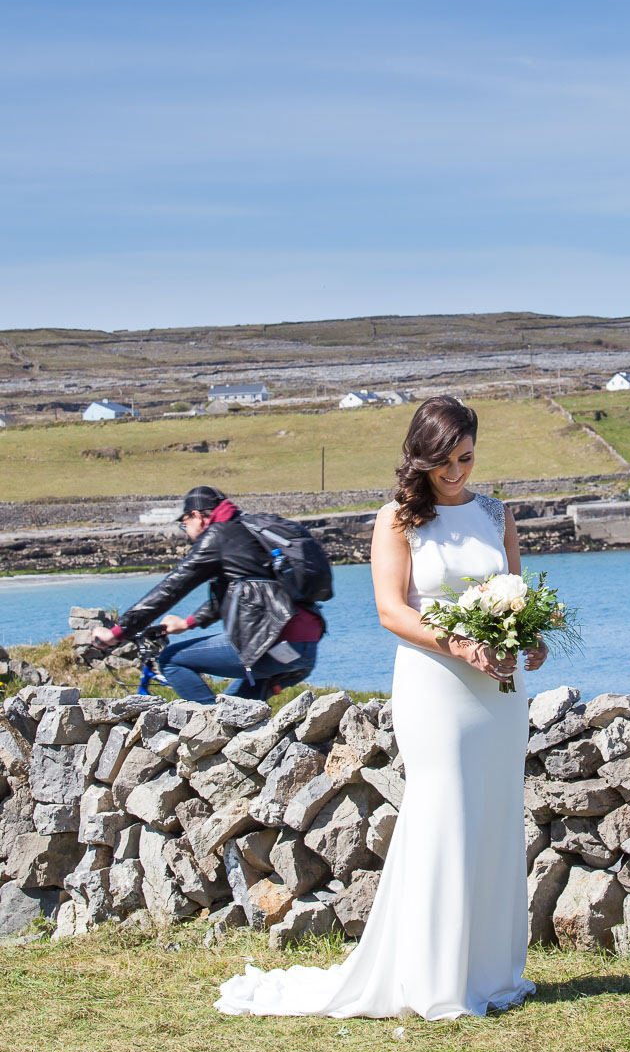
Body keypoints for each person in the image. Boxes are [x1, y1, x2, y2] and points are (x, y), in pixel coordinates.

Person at [215, 395, 546, 1019]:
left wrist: (532, 639)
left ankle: (491, 972)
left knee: (497, 812)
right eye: (444, 460)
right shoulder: (397, 518)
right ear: (419, 458)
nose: (456, 472)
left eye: (467, 458)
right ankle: (432, 976)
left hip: (499, 693)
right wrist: (461, 645)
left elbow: (518, 593)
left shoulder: (497, 514)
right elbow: (391, 610)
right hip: (435, 685)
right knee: (442, 811)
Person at [90, 486, 324, 703]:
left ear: (197, 516)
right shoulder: (248, 532)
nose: (186, 531)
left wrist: (118, 632)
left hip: (269, 644)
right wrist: (188, 623)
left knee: (170, 660)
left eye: (184, 524)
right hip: (304, 649)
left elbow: (171, 588)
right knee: (234, 713)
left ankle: (208, 731)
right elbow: (237, 592)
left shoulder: (217, 536)